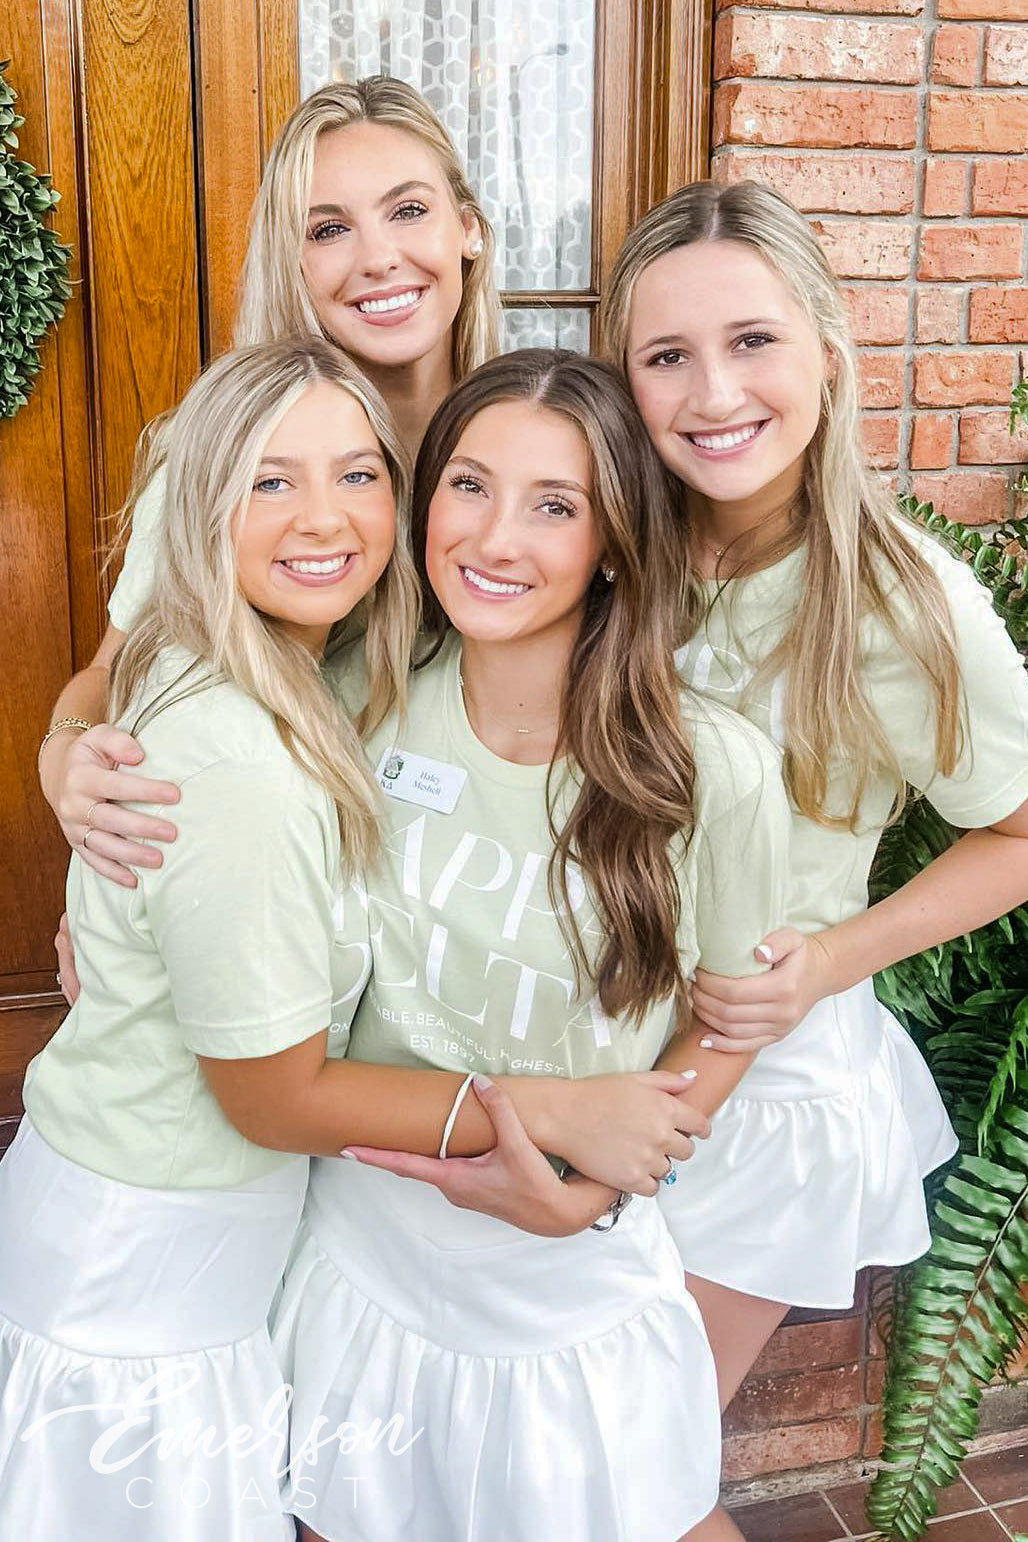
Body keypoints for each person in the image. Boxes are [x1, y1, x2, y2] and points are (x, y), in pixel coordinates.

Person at [268, 350, 795, 1542]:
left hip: (563, 1273)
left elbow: (729, 1017)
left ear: (612, 542)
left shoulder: (712, 769)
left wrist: (594, 1191)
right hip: (363, 1245)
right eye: (468, 485)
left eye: (554, 505)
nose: (494, 538)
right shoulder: (350, 694)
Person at [600, 178, 1028, 1542]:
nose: (712, 392)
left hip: (763, 1083)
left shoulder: (904, 600)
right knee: (587, 1461)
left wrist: (830, 958)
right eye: (667, 355)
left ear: (828, 354)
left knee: (626, 1471)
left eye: (752, 341)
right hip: (596, 1059)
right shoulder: (610, 552)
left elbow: (1020, 830)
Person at [0, 336, 420, 1540]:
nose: (322, 516)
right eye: (268, 481)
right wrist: (547, 1115)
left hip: (152, 1231)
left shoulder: (251, 668)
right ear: (197, 511)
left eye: (356, 474)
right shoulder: (241, 759)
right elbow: (272, 1100)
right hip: (143, 1274)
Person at [39, 75, 500, 885]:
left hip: (454, 892)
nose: (377, 257)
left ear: (468, 229)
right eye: (329, 228)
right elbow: (112, 671)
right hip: (271, 879)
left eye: (408, 210)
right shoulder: (220, 453)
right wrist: (66, 762)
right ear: (292, 261)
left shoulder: (525, 449)